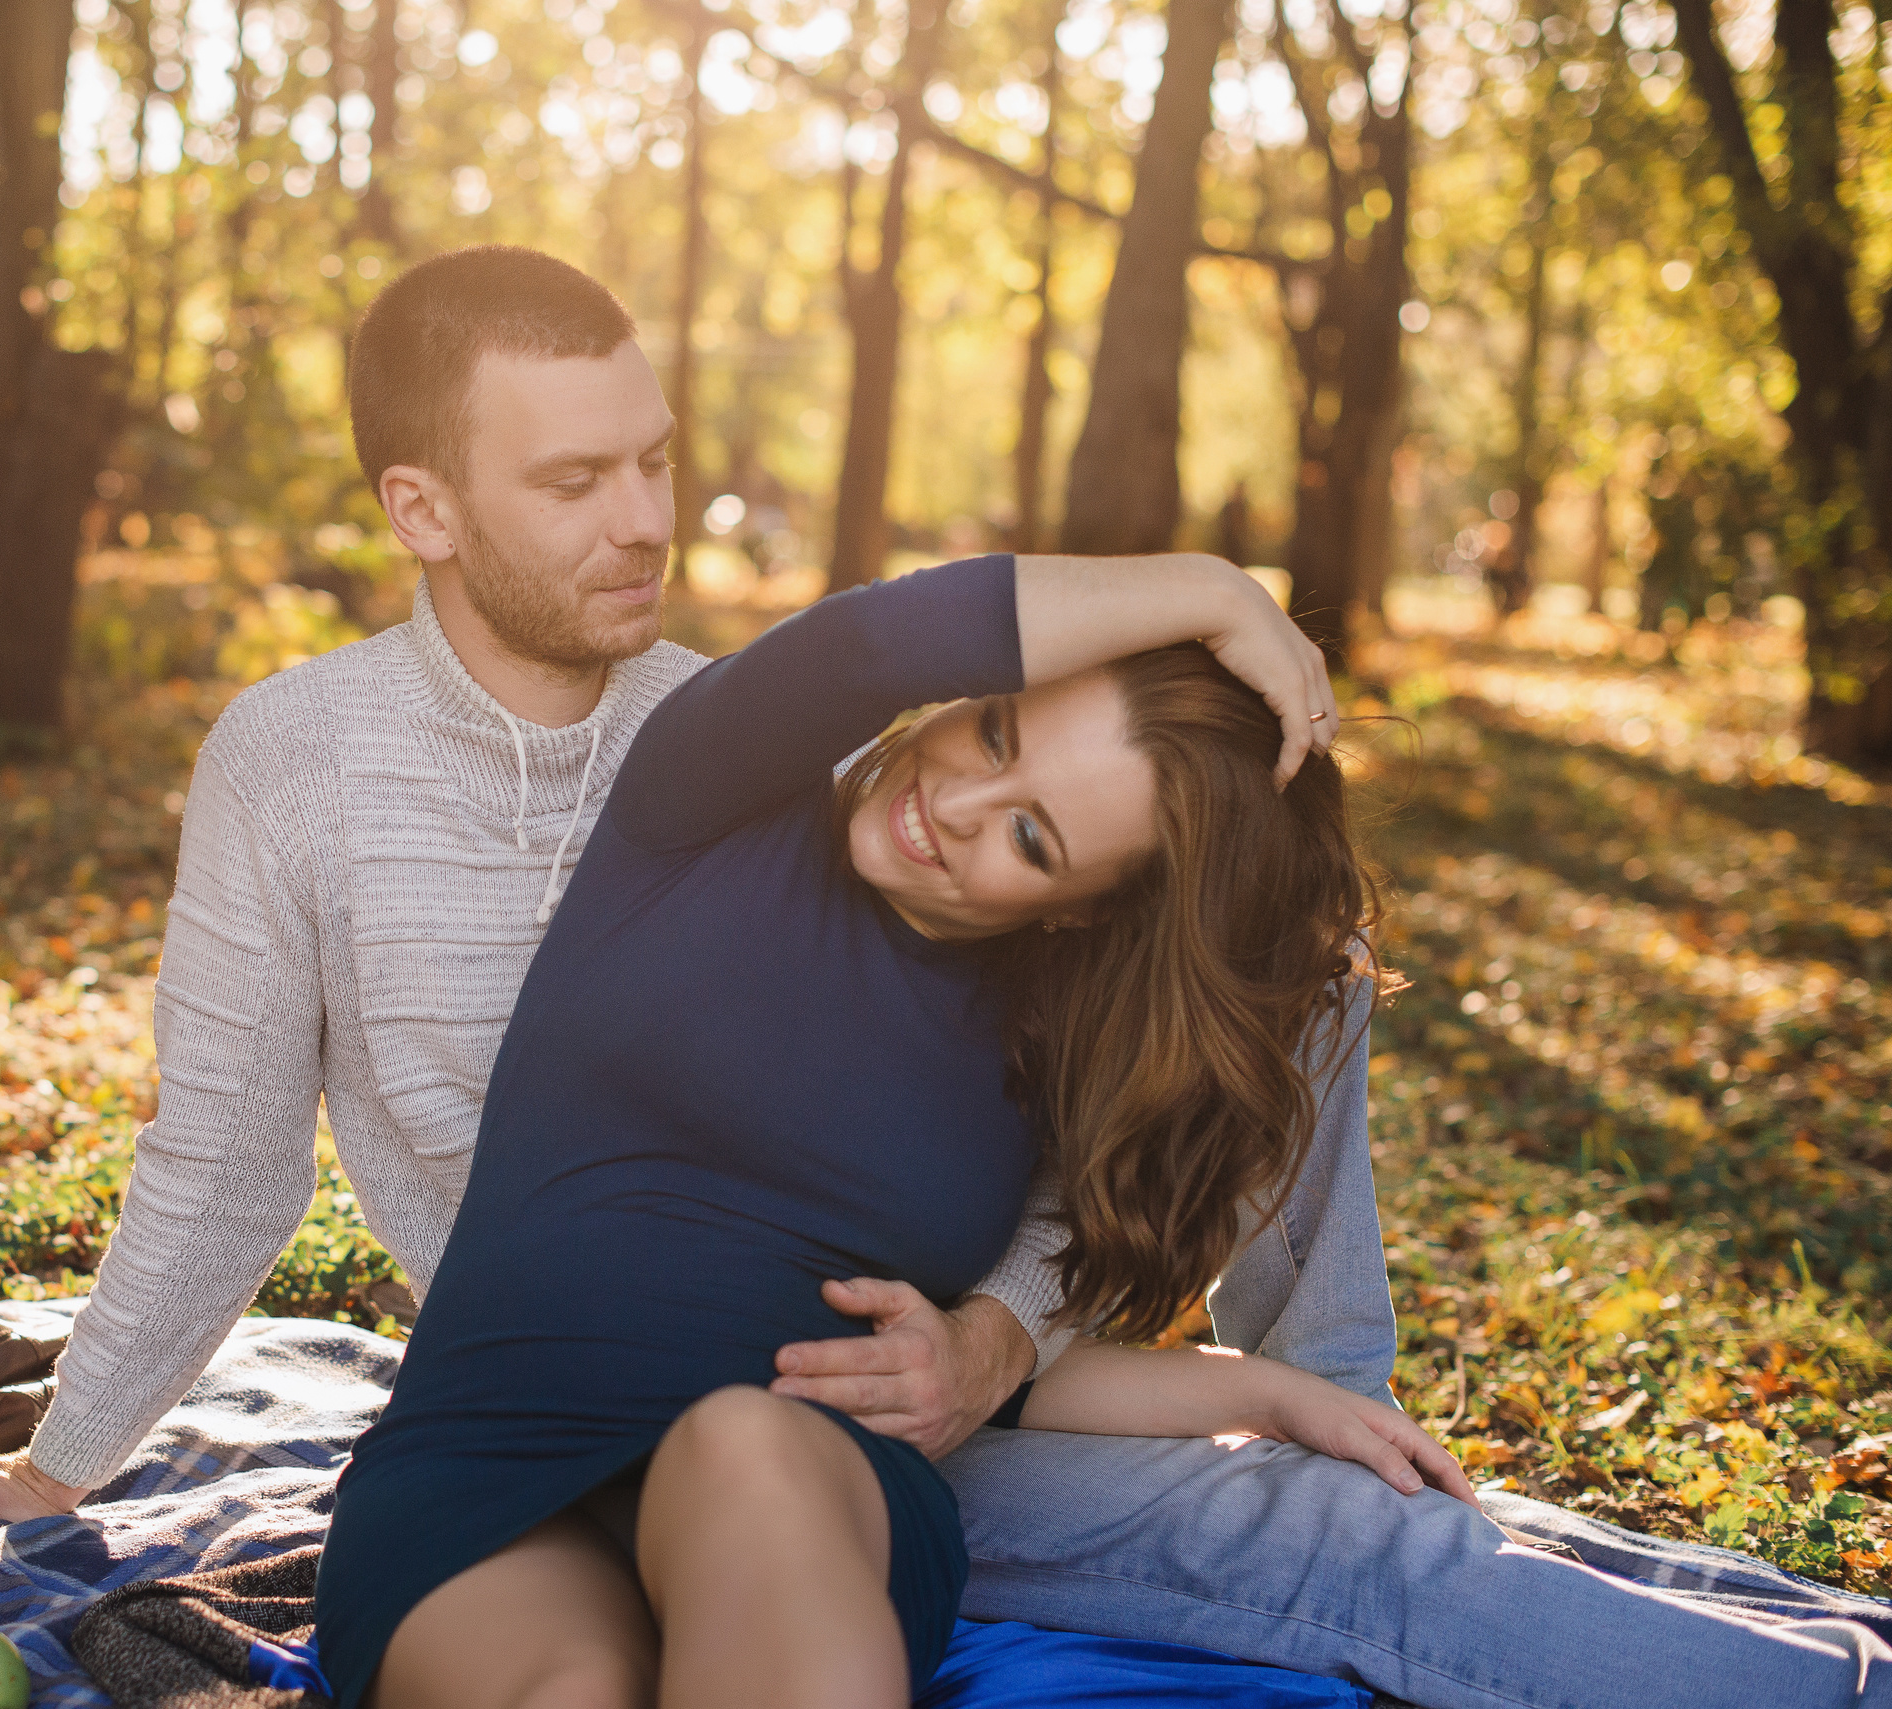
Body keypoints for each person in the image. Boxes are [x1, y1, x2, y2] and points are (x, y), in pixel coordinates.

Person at [0, 247, 1892, 1709]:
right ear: (423, 506)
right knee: (573, 1656)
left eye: (657, 460)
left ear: (1063, 907)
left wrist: (1179, 1369)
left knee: (814, 1433)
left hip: (818, 1438)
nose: (643, 518)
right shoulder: (706, 778)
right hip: (505, 1441)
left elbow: (1021, 1303)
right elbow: (880, 644)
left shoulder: (890, 892)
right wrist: (59, 1457)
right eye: (575, 476)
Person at [313, 548, 1458, 1708]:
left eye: (1030, 838)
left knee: (744, 1444)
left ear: (1085, 910)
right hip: (491, 1465)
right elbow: (874, 640)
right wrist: (1215, 591)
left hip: (800, 1479)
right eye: (996, 734)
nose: (950, 807)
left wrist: (1265, 1392)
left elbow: (973, 1373)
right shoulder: (707, 802)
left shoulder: (1043, 1053)